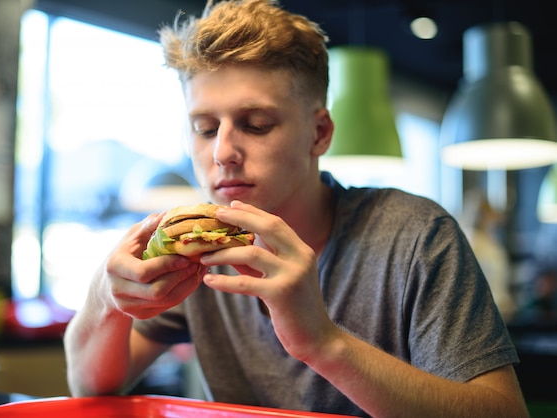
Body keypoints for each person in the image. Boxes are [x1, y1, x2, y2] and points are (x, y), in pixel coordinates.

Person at [63, 1, 529, 416]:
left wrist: (324, 344)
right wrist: (105, 300)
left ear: (319, 133)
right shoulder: (195, 247)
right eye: (205, 128)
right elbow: (91, 386)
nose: (223, 151)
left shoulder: (414, 237)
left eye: (257, 124)